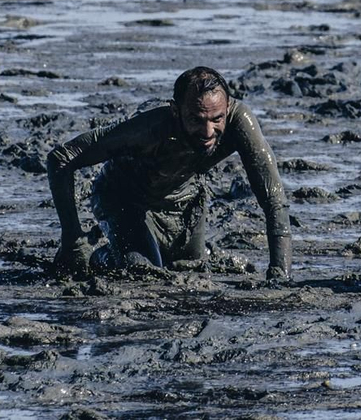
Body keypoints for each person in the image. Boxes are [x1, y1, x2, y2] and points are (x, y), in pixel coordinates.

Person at [46, 67, 292, 281]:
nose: (208, 132)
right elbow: (61, 158)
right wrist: (72, 240)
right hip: (125, 202)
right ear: (175, 111)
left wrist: (279, 273)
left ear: (227, 107)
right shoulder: (149, 128)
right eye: (196, 120)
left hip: (184, 202)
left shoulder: (239, 121)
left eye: (217, 119)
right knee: (144, 275)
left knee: (192, 274)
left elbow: (274, 199)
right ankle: (102, 256)